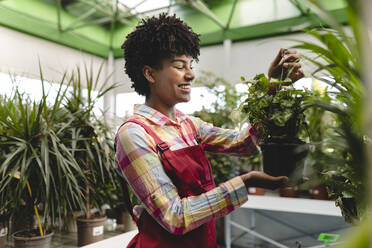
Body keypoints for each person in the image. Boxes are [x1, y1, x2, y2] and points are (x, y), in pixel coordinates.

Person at [115, 13, 304, 248]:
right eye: (179, 66)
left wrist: (274, 87)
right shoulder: (134, 134)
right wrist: (245, 183)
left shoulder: (189, 125)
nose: (191, 74)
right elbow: (175, 216)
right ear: (150, 74)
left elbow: (244, 143)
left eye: (190, 65)